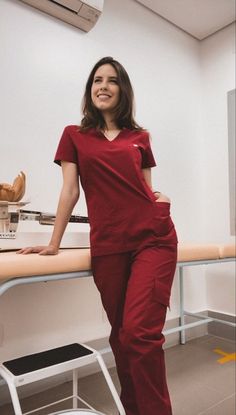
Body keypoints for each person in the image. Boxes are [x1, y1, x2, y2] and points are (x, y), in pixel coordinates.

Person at [18, 56, 178, 415]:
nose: (103, 86)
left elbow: (145, 188)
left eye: (112, 80)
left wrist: (160, 200)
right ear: (90, 91)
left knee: (139, 334)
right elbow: (70, 191)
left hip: (153, 238)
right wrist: (54, 243)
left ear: (123, 89)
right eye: (96, 81)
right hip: (109, 246)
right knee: (121, 338)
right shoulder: (74, 135)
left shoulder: (141, 138)